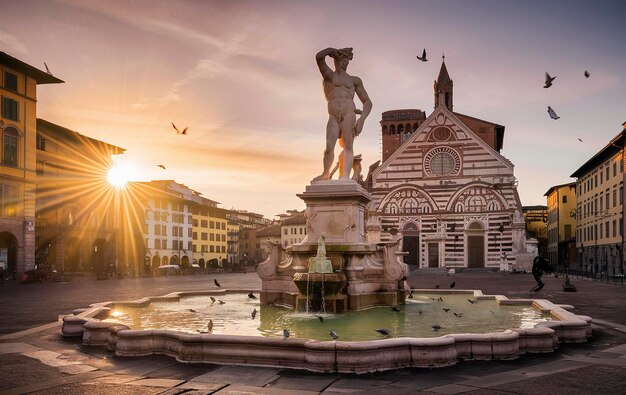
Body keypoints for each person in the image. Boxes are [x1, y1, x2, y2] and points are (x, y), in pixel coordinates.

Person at [313, 47, 372, 181]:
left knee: (348, 145)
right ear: (336, 59)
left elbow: (367, 101)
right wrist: (331, 50)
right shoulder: (329, 75)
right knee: (329, 146)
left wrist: (362, 119)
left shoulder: (354, 80)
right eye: (343, 59)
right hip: (333, 115)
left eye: (347, 60)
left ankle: (344, 176)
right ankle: (325, 173)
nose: (345, 62)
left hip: (349, 113)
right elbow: (319, 57)